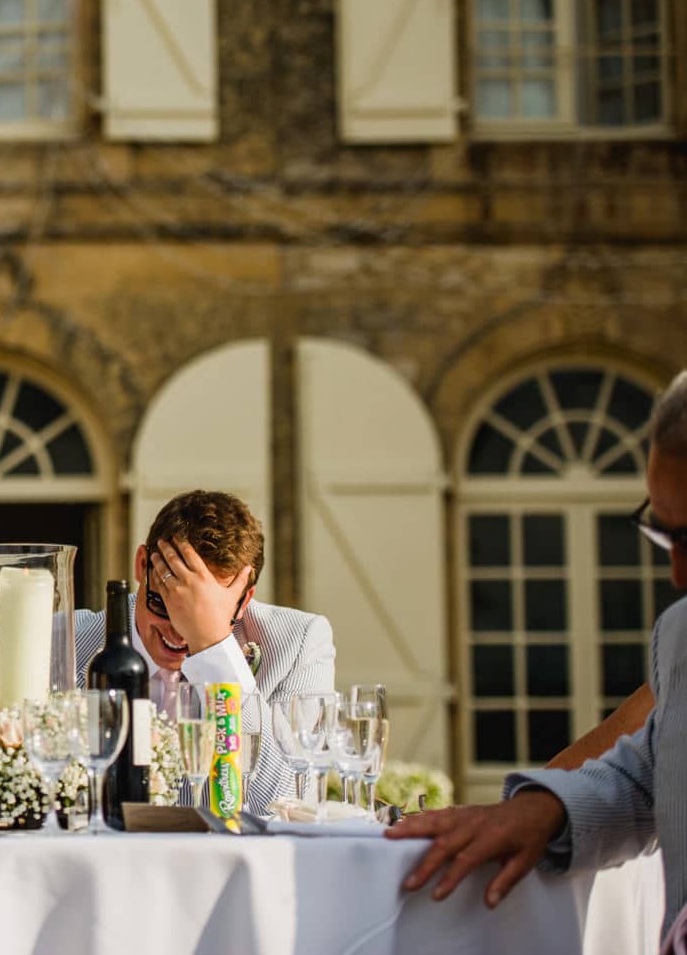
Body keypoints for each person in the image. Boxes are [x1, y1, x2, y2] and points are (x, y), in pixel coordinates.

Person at [389, 370, 687, 942]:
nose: (675, 574)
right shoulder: (681, 635)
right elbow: (651, 775)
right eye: (664, 534)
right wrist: (542, 808)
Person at [74, 490, 337, 813]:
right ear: (142, 565)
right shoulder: (66, 642)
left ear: (245, 599)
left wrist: (213, 645)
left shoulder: (298, 642)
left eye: (203, 612)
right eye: (163, 602)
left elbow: (287, 804)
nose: (177, 630)